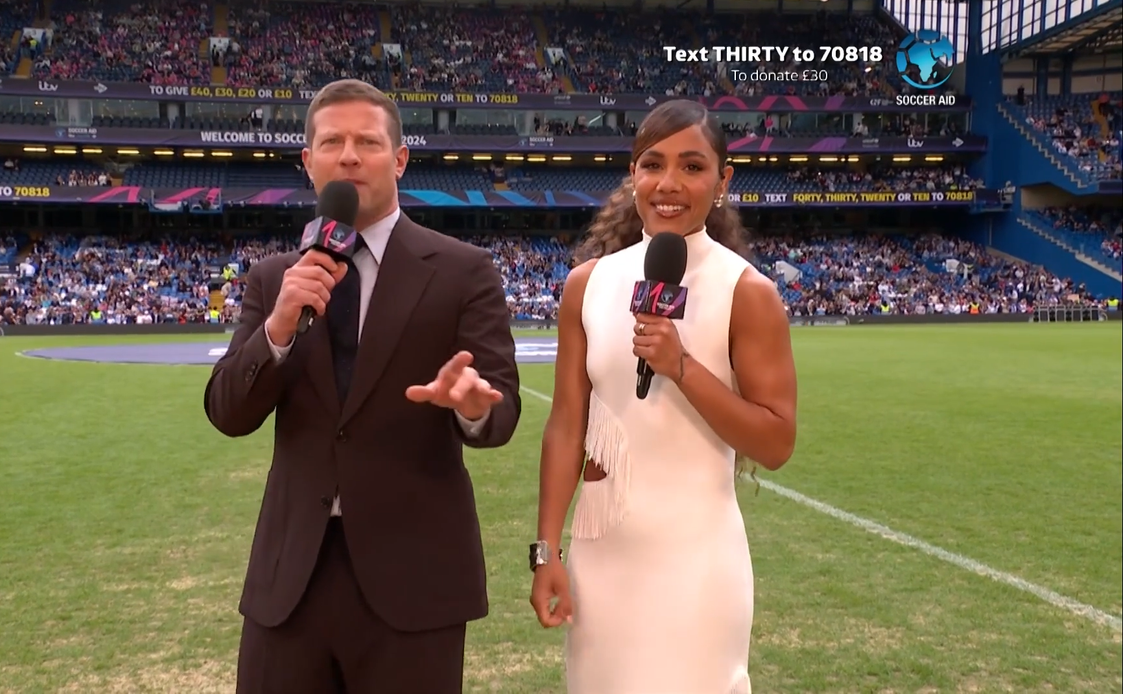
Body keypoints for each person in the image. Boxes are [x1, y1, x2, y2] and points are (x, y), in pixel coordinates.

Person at [204, 78, 522, 694]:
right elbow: (228, 412)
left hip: (415, 581)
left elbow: (500, 410)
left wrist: (474, 408)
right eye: (332, 142)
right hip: (291, 579)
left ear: (399, 159)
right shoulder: (275, 279)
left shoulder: (463, 271)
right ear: (308, 161)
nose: (349, 155)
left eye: (368, 142)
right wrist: (276, 329)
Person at [528, 99, 798, 693]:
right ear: (633, 174)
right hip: (601, 562)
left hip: (698, 562)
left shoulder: (747, 293)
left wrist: (683, 368)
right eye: (652, 164)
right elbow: (566, 427)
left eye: (692, 167)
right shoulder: (587, 285)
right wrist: (545, 551)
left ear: (723, 180)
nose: (668, 184)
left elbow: (776, 442)